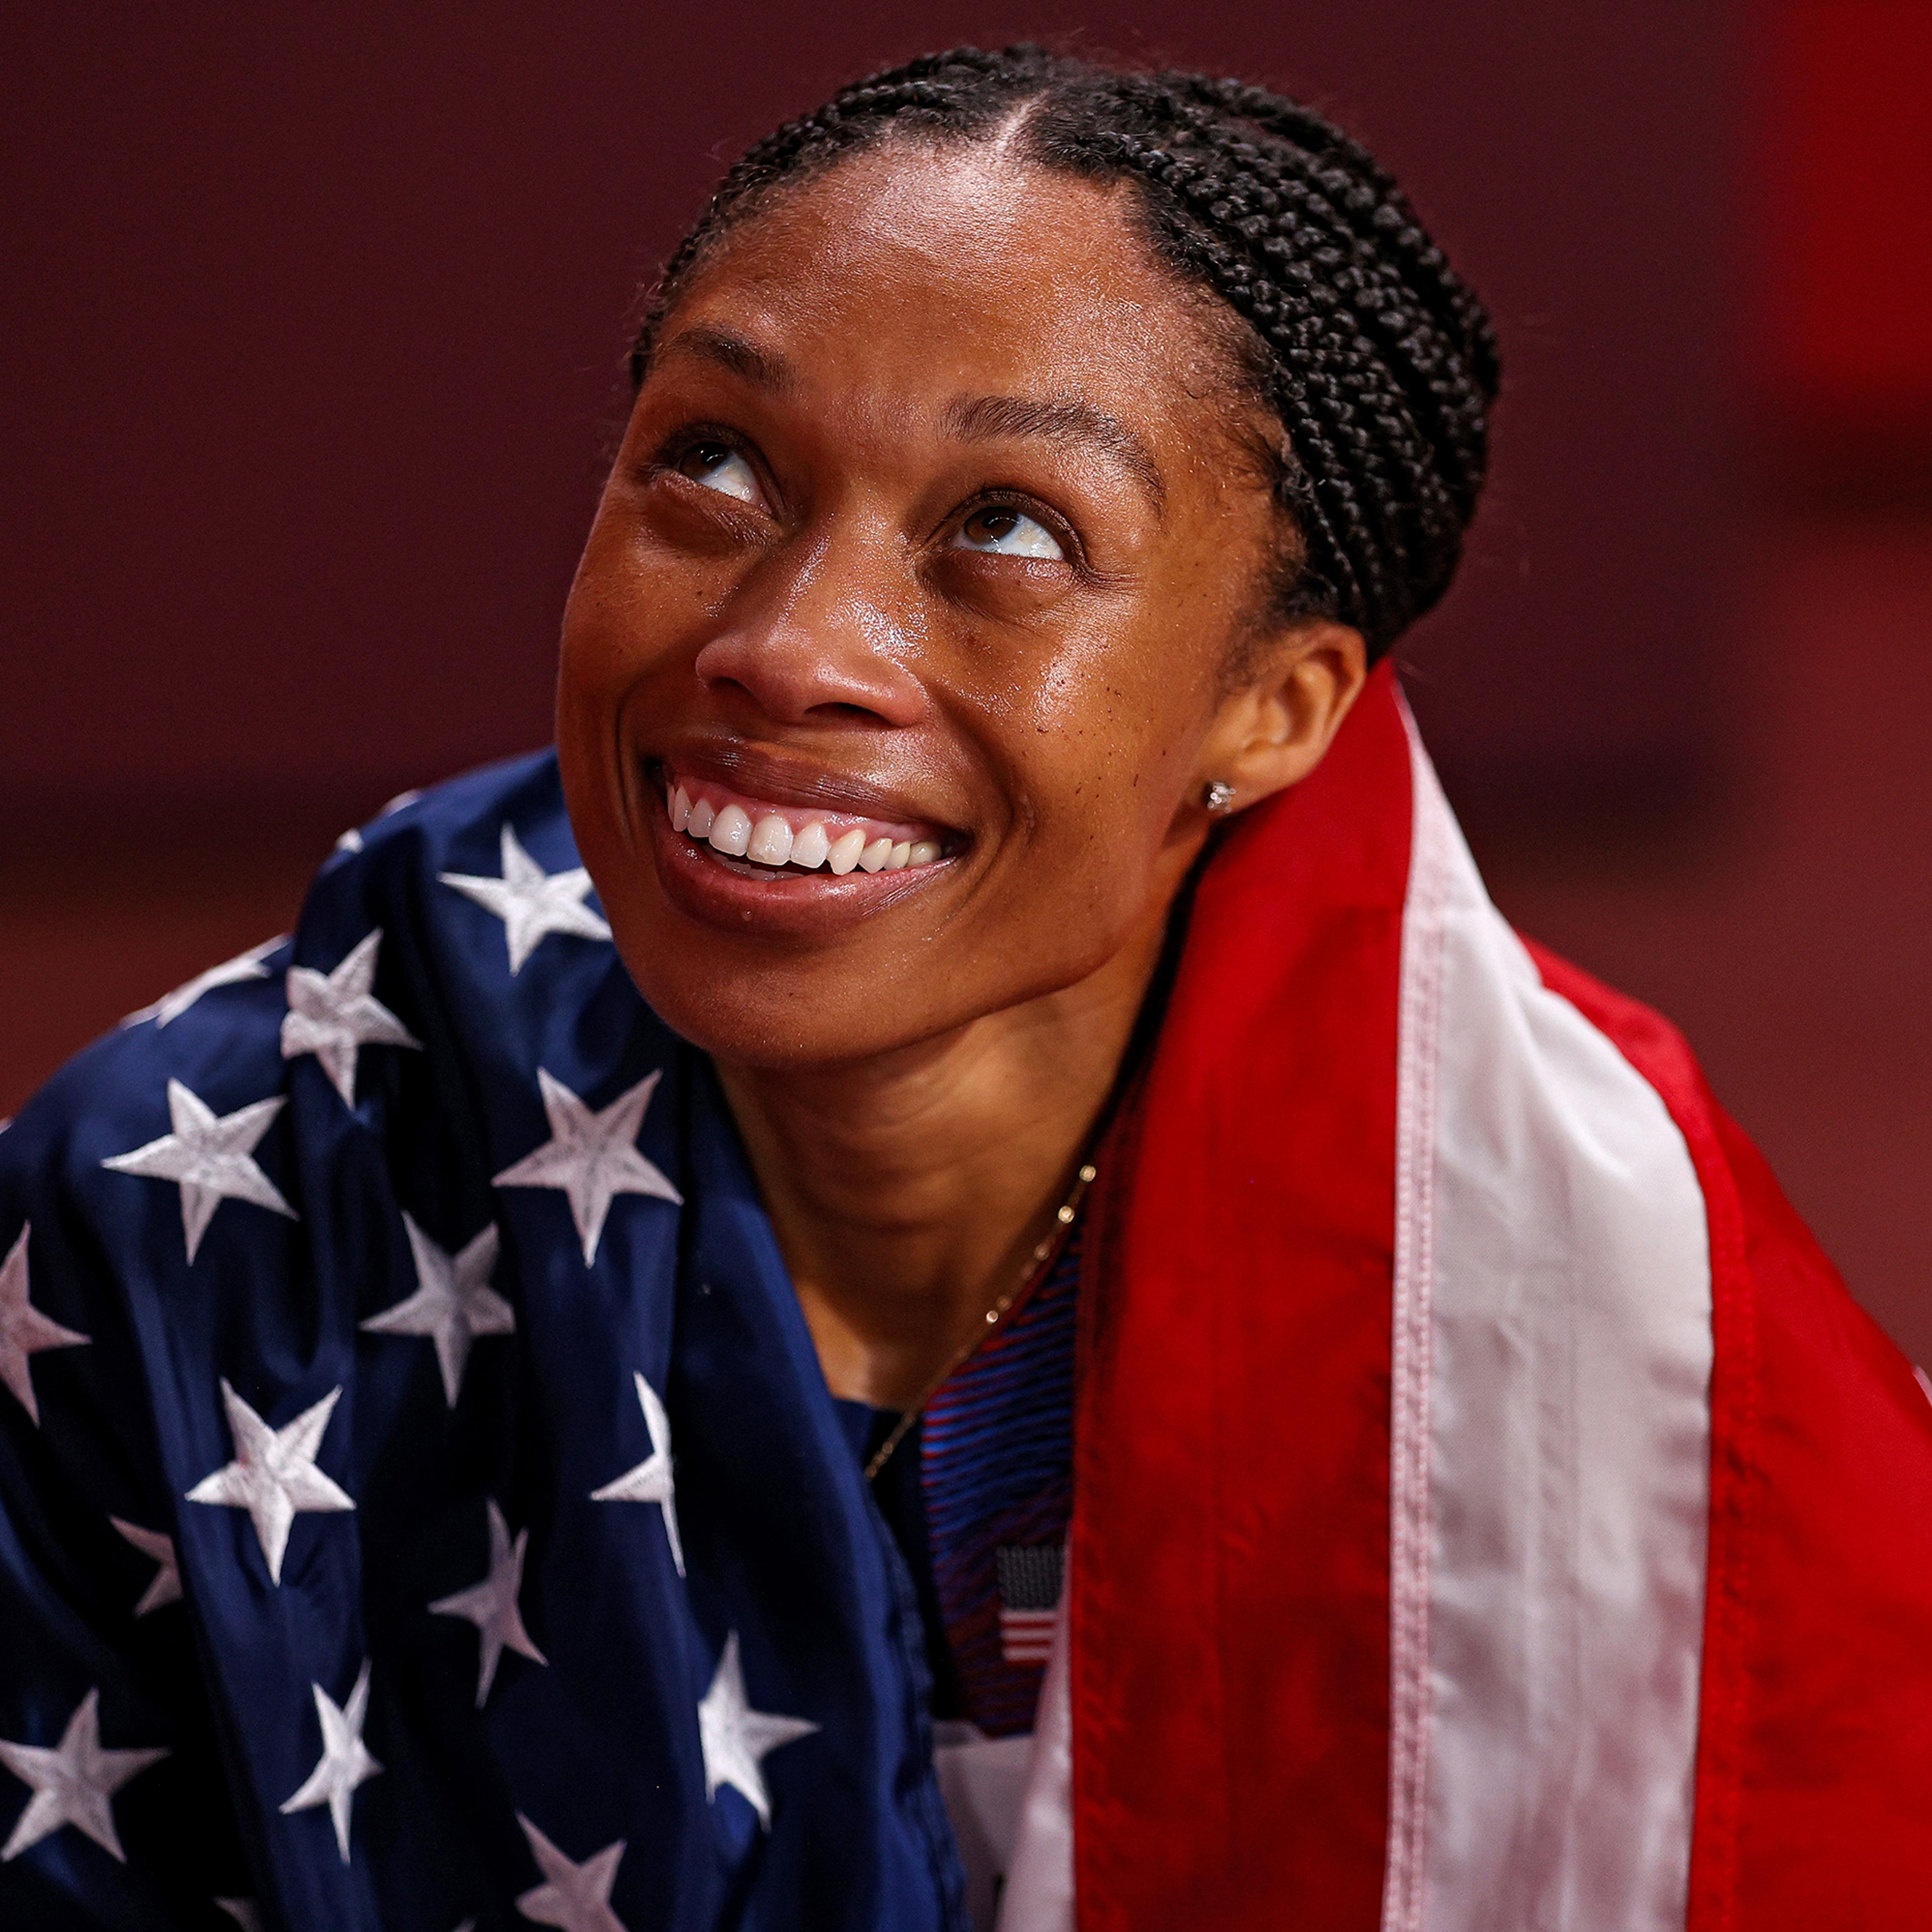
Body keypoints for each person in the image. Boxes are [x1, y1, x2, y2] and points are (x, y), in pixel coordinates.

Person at [1, 43, 1926, 1932]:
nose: (788, 647)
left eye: (1009, 530)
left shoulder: (1617, 1333)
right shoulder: (181, 1227)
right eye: (715, 462)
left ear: (1275, 709)